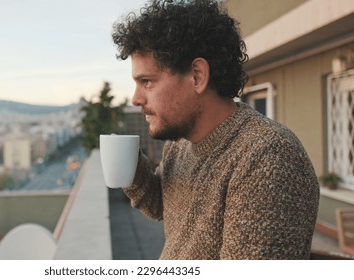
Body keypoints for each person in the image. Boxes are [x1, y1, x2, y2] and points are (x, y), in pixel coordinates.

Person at [111, 0, 320, 260]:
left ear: (197, 76)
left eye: (147, 82)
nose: (135, 99)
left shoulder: (266, 157)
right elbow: (162, 205)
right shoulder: (180, 145)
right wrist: (130, 168)